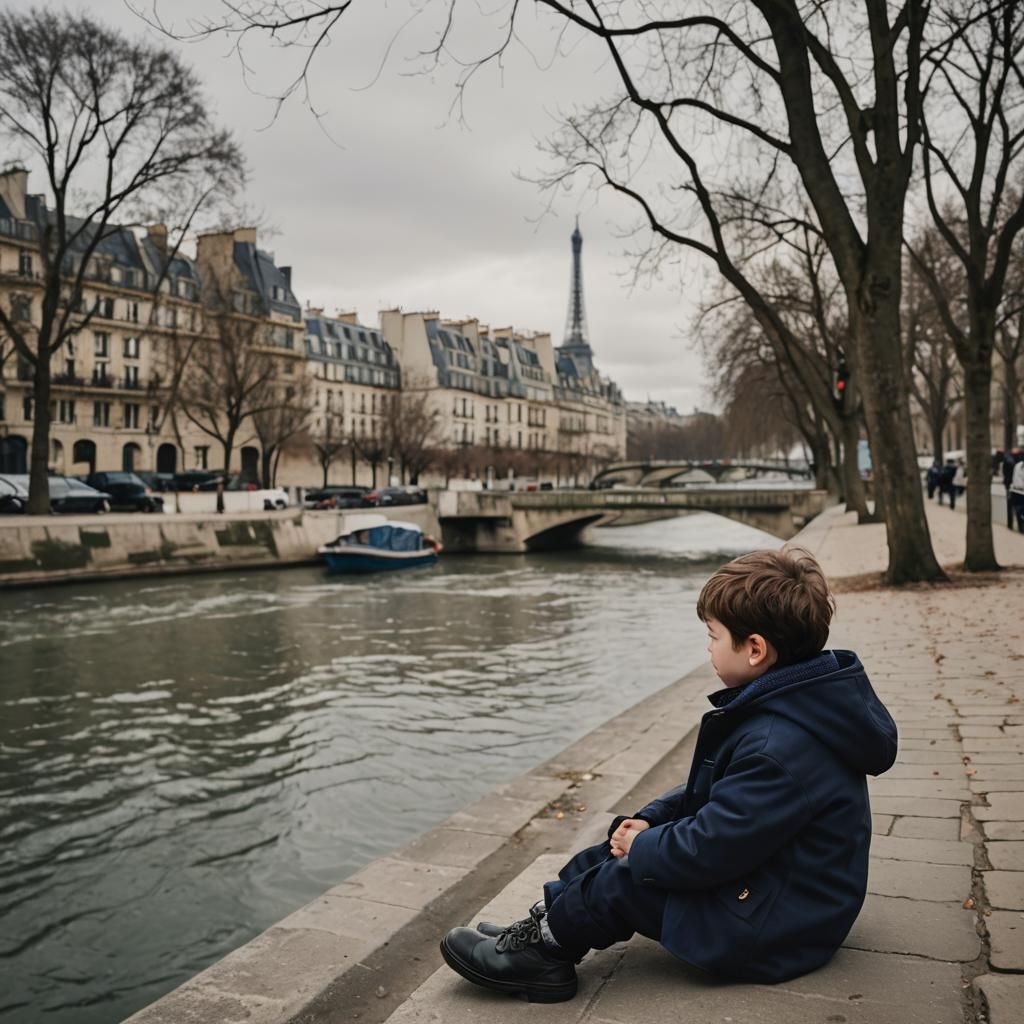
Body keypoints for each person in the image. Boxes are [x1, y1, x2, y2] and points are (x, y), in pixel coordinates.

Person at [440, 548, 897, 1003]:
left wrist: (643, 848)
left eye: (714, 636)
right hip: (779, 895)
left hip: (778, 929)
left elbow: (711, 848)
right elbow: (724, 797)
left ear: (755, 649)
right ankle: (548, 921)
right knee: (625, 837)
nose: (708, 648)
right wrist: (650, 821)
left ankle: (543, 957)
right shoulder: (794, 706)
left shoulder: (780, 744)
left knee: (625, 879)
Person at [1010, 450, 1024, 532]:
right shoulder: (1018, 466)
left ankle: (1021, 527)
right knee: (1019, 510)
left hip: (1018, 491)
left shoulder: (1017, 465)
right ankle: (1021, 528)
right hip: (1018, 491)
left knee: (1020, 511)